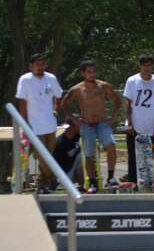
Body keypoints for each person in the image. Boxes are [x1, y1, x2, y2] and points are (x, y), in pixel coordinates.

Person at [60, 59, 121, 192]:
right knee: (89, 154)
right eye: (89, 72)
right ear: (83, 73)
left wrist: (113, 116)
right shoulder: (77, 89)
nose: (92, 75)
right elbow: (64, 104)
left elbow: (117, 100)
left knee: (111, 145)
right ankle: (92, 182)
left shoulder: (103, 86)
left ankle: (111, 178)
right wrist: (74, 119)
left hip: (102, 122)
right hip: (86, 124)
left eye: (93, 72)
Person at [15, 53, 63, 191]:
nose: (41, 67)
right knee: (42, 155)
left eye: (43, 64)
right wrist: (24, 122)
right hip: (33, 124)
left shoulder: (51, 78)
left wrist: (55, 109)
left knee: (48, 155)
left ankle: (43, 183)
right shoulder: (25, 80)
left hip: (50, 124)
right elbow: (22, 102)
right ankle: (52, 178)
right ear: (31, 66)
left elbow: (58, 95)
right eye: (38, 64)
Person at [123, 54, 154, 185]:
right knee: (133, 156)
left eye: (149, 65)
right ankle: (133, 182)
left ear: (152, 66)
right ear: (140, 65)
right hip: (135, 124)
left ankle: (150, 181)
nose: (147, 68)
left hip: (151, 125)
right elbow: (128, 103)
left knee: (151, 155)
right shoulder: (132, 81)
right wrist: (129, 123)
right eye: (144, 65)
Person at [50, 118, 82, 189]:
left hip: (72, 171)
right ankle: (61, 183)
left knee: (84, 155)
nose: (81, 126)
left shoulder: (77, 137)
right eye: (79, 124)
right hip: (63, 174)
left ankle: (81, 186)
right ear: (72, 127)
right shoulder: (60, 142)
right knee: (80, 157)